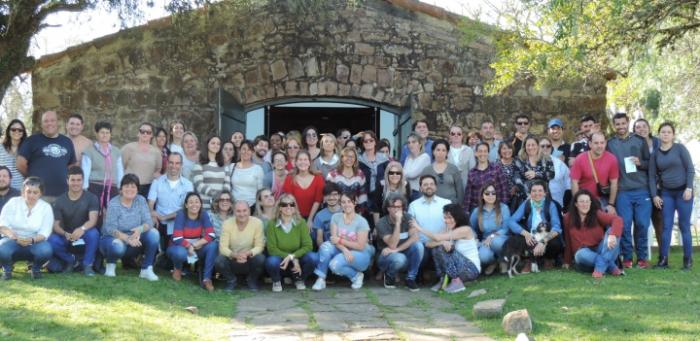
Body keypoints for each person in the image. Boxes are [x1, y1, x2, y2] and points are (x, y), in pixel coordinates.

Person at [607, 113, 652, 269]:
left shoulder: (640, 141)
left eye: (623, 123)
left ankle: (642, 257)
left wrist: (641, 163)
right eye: (617, 124)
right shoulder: (610, 144)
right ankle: (627, 257)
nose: (620, 126)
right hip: (622, 191)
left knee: (642, 224)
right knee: (625, 225)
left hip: (642, 190)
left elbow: (650, 164)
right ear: (614, 126)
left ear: (628, 123)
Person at [650, 123, 695, 270]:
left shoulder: (680, 149)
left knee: (684, 226)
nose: (666, 134)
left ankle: (687, 261)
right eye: (663, 132)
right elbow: (651, 177)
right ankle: (663, 260)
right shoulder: (655, 154)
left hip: (683, 193)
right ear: (659, 134)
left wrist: (689, 187)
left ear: (673, 135)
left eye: (669, 132)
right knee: (666, 227)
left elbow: (690, 169)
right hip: (667, 194)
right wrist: (655, 195)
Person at [100, 174, 159, 280]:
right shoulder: (114, 203)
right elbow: (110, 229)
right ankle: (110, 265)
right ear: (121, 188)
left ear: (137, 189)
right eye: (126, 186)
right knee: (118, 247)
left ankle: (146, 269)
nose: (130, 189)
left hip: (134, 240)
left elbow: (149, 222)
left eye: (133, 186)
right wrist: (127, 238)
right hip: (114, 240)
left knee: (154, 233)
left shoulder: (141, 200)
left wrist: (140, 230)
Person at [312, 192, 375, 291]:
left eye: (349, 201)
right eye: (343, 202)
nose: (346, 205)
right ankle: (321, 279)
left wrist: (341, 240)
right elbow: (333, 239)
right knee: (325, 246)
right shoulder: (336, 217)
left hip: (360, 253)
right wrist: (344, 250)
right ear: (340, 204)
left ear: (355, 203)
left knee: (334, 265)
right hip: (342, 249)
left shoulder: (362, 221)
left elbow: (360, 246)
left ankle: (356, 275)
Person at [415, 203, 481, 293]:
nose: (446, 221)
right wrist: (442, 242)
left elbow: (437, 238)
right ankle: (443, 279)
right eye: (445, 218)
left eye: (450, 217)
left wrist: (419, 228)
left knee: (441, 246)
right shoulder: (447, 229)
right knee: (437, 247)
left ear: (458, 217)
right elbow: (428, 244)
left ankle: (456, 282)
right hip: (457, 268)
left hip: (471, 269)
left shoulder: (465, 229)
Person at [47, 166, 100, 276]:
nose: (76, 183)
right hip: (67, 235)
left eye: (79, 180)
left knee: (94, 233)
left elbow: (93, 220)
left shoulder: (92, 198)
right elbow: (56, 225)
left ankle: (87, 265)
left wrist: (82, 229)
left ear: (83, 181)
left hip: (84, 233)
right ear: (67, 181)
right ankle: (72, 260)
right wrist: (65, 234)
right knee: (52, 240)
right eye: (73, 180)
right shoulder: (59, 200)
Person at [0, 177, 53, 280]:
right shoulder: (13, 203)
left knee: (46, 250)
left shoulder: (46, 207)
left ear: (40, 193)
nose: (31, 195)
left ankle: (36, 269)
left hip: (34, 241)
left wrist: (31, 240)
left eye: (35, 192)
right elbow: (2, 225)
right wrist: (14, 237)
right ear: (23, 192)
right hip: (12, 240)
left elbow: (45, 232)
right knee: (1, 248)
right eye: (28, 192)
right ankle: (7, 270)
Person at [17, 111, 77, 202]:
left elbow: (72, 165)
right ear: (41, 124)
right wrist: (32, 177)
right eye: (46, 121)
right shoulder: (32, 140)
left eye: (52, 120)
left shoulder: (67, 142)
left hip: (62, 195)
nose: (49, 123)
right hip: (37, 195)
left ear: (57, 123)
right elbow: (20, 164)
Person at [563, 189, 623, 278]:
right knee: (580, 254)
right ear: (576, 204)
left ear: (591, 203)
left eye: (587, 201)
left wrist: (612, 235)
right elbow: (568, 240)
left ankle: (599, 269)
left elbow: (617, 219)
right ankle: (611, 267)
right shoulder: (568, 217)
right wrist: (567, 261)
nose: (585, 204)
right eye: (582, 201)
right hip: (583, 255)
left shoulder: (596, 213)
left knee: (612, 230)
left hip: (601, 249)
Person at [265, 193, 318, 292]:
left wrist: (292, 257)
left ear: (295, 207)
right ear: (279, 207)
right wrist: (291, 258)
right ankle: (276, 280)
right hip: (280, 261)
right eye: (284, 204)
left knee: (313, 258)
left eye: (291, 204)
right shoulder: (272, 224)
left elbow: (308, 246)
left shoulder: (301, 222)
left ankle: (299, 279)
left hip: (298, 260)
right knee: (271, 261)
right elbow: (272, 249)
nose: (288, 207)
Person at [507, 180, 563, 271]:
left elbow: (556, 227)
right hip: (532, 235)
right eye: (534, 191)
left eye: (540, 190)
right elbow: (511, 221)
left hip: (546, 235)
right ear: (530, 193)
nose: (537, 193)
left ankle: (548, 259)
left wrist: (543, 241)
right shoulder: (527, 204)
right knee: (519, 238)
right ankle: (529, 260)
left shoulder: (551, 205)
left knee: (555, 242)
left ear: (545, 193)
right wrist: (525, 233)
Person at [167, 192, 218, 291]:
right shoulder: (181, 214)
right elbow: (177, 238)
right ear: (186, 205)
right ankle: (178, 268)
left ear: (200, 204)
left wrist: (194, 245)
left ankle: (207, 278)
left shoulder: (203, 214)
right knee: (180, 253)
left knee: (213, 245)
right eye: (190, 202)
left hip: (196, 246)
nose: (194, 205)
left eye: (196, 202)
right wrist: (189, 246)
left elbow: (211, 235)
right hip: (178, 246)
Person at [375, 193, 423, 291]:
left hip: (401, 251)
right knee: (400, 258)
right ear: (388, 208)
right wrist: (398, 223)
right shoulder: (382, 222)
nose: (396, 209)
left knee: (419, 246)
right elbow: (392, 245)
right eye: (393, 206)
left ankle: (411, 278)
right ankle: (389, 275)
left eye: (399, 206)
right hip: (385, 256)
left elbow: (415, 237)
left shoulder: (408, 217)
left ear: (403, 207)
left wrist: (397, 249)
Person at [215, 200, 266, 292]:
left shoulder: (257, 223)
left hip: (249, 259)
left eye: (244, 210)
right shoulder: (227, 224)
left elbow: (260, 246)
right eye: (238, 211)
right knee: (219, 260)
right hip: (232, 259)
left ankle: (251, 280)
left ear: (249, 211)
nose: (242, 214)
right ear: (234, 212)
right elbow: (223, 248)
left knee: (261, 258)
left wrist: (248, 253)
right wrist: (235, 255)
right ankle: (231, 280)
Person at [148, 152, 194, 246]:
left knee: (175, 253)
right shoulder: (157, 182)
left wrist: (164, 217)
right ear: (167, 163)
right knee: (150, 229)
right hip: (158, 223)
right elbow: (150, 203)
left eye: (177, 163)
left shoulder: (188, 185)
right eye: (171, 162)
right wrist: (153, 214)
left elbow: (186, 209)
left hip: (178, 224)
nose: (174, 166)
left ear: (181, 165)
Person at [408, 175, 451, 271]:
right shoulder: (413, 206)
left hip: (441, 243)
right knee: (418, 251)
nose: (429, 186)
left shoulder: (446, 203)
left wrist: (439, 241)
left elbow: (450, 226)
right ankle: (419, 276)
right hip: (423, 245)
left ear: (436, 187)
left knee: (441, 251)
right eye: (425, 184)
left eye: (432, 184)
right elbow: (412, 229)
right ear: (420, 188)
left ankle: (442, 278)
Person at [82, 121, 124, 220]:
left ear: (110, 134)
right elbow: (85, 170)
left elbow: (120, 170)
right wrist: (85, 189)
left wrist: (121, 187)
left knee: (113, 213)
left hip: (112, 187)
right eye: (102, 132)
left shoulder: (116, 151)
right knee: (95, 213)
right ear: (96, 134)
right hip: (94, 186)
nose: (104, 135)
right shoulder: (89, 151)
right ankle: (95, 233)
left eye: (107, 132)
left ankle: (111, 234)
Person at [570, 132, 619, 210]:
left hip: (602, 199)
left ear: (605, 143)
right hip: (584, 199)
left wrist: (611, 204)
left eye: (602, 143)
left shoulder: (612, 159)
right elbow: (574, 182)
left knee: (609, 218)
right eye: (596, 143)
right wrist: (578, 202)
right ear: (590, 144)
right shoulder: (580, 159)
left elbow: (614, 183)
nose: (599, 146)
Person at [634, 118, 663, 252]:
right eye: (638, 127)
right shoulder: (632, 144)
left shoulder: (658, 142)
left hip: (659, 187)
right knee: (640, 223)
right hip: (641, 186)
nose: (642, 129)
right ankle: (639, 254)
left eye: (644, 126)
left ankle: (663, 255)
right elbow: (632, 165)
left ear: (649, 128)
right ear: (634, 131)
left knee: (659, 221)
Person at [470, 183, 511, 274]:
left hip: (502, 237)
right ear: (482, 196)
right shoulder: (477, 211)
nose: (491, 195)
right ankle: (493, 263)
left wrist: (492, 236)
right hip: (486, 240)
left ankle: (503, 261)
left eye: (493, 193)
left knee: (496, 242)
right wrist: (476, 238)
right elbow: (471, 228)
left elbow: (506, 228)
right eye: (487, 193)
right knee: (483, 257)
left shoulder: (504, 208)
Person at [463, 143, 509, 212]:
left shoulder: (496, 168)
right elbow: (468, 195)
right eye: (480, 151)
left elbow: (504, 189)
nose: (482, 154)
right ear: (476, 153)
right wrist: (466, 211)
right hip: (477, 209)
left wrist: (503, 207)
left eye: (485, 151)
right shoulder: (472, 173)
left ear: (488, 153)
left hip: (495, 209)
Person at [121, 122, 162, 197]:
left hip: (148, 187)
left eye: (148, 132)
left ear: (152, 135)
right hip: (131, 187)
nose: (145, 134)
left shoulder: (156, 152)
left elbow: (157, 170)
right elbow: (123, 166)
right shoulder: (128, 148)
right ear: (138, 133)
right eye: (142, 131)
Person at [284, 150, 325, 224]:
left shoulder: (318, 178)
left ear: (309, 162)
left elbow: (317, 200)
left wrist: (310, 220)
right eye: (300, 160)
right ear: (296, 162)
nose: (303, 162)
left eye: (305, 159)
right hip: (294, 216)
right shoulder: (289, 179)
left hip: (314, 216)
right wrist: (299, 219)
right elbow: (290, 200)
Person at [192, 134, 231, 211]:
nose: (216, 145)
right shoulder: (199, 163)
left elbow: (227, 184)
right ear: (207, 145)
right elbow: (199, 185)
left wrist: (222, 197)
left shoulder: (224, 165)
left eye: (218, 144)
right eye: (213, 143)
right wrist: (216, 195)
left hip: (220, 206)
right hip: (204, 205)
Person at [358, 130, 390, 224]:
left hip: (381, 196)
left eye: (371, 140)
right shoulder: (359, 159)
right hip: (365, 196)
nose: (368, 143)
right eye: (365, 141)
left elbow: (389, 175)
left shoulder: (384, 158)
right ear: (362, 143)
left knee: (382, 225)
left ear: (375, 142)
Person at [420, 139, 464, 204]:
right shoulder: (427, 170)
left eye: (443, 150)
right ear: (433, 151)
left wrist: (459, 206)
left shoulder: (453, 169)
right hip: (432, 206)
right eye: (438, 150)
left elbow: (460, 190)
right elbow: (421, 191)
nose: (440, 153)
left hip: (451, 206)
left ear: (447, 152)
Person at [326, 147, 367, 215]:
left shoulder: (360, 174)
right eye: (346, 156)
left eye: (352, 156)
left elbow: (363, 196)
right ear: (342, 158)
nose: (349, 159)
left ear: (355, 159)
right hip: (336, 213)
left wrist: (359, 213)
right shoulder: (332, 175)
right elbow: (328, 196)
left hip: (355, 213)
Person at [540, 136, 571, 209]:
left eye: (548, 146)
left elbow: (569, 181)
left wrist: (567, 200)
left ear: (551, 148)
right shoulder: (533, 162)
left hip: (558, 203)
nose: (545, 148)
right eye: (542, 146)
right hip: (538, 204)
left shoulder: (559, 163)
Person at [231, 140, 264, 208]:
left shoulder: (258, 169)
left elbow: (260, 191)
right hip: (234, 206)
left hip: (252, 206)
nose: (246, 152)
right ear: (239, 150)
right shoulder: (231, 167)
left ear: (252, 152)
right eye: (244, 149)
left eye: (249, 150)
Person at [497, 141, 526, 212]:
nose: (507, 151)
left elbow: (525, 177)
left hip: (518, 198)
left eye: (509, 148)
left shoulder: (518, 162)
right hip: (501, 198)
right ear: (500, 151)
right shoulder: (496, 165)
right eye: (504, 148)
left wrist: (516, 187)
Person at [311, 183, 342, 248]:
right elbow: (319, 239)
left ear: (339, 196)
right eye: (328, 195)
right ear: (324, 197)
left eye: (335, 195)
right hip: (328, 248)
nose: (331, 198)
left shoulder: (346, 212)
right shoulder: (319, 215)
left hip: (344, 246)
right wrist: (324, 251)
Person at [402, 132, 431, 201]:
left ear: (420, 144)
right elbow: (404, 175)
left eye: (413, 142)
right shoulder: (408, 158)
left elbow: (413, 174)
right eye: (408, 143)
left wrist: (403, 172)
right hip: (406, 191)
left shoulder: (425, 157)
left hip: (418, 192)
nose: (410, 144)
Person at [0, 118, 27, 190]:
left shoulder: (27, 149)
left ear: (23, 132)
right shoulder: (1, 148)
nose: (17, 131)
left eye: (20, 130)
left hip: (21, 190)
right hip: (3, 189)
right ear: (8, 131)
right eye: (13, 129)